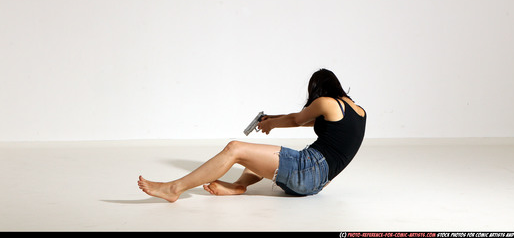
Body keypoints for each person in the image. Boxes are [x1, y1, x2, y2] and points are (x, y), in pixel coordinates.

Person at [137, 68, 366, 201]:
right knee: (255, 157)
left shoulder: (326, 102)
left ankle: (174, 189)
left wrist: (272, 125)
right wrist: (273, 118)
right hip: (317, 184)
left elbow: (298, 119)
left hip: (307, 170)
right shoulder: (358, 112)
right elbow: (302, 121)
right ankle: (238, 186)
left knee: (235, 148)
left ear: (318, 91)